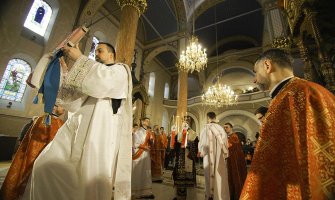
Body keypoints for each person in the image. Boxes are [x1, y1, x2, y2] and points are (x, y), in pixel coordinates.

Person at [21, 42, 133, 200]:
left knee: (87, 179)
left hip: (99, 131)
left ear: (111, 55)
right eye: (95, 52)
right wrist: (62, 74)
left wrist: (80, 58)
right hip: (76, 125)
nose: (96, 54)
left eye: (100, 51)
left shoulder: (120, 70)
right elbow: (71, 102)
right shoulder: (91, 71)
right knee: (44, 166)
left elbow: (103, 82)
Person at [240, 48, 335, 199]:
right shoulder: (310, 91)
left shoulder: (291, 97)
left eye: (255, 72)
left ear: (267, 66)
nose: (254, 79)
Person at [1, 105, 65, 200]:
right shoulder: (49, 120)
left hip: (39, 152)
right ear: (54, 107)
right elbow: (49, 140)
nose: (63, 109)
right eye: (61, 106)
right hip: (39, 153)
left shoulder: (52, 120)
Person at [198, 112, 230, 200]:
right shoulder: (221, 128)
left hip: (208, 158)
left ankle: (210, 196)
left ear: (208, 118)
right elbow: (225, 144)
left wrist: (202, 153)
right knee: (219, 178)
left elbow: (203, 144)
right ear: (215, 118)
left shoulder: (205, 128)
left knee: (208, 178)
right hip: (219, 158)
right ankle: (219, 196)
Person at [172, 119, 198, 200]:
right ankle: (179, 196)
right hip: (180, 157)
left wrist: (188, 144)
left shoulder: (193, 133)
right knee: (179, 175)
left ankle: (190, 197)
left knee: (188, 175)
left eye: (186, 123)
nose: (185, 124)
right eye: (183, 123)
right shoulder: (179, 133)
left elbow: (196, 145)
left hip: (188, 157)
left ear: (189, 124)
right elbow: (175, 145)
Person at [132, 117, 155, 199]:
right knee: (138, 171)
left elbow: (151, 142)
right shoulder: (138, 131)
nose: (148, 122)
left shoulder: (149, 132)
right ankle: (136, 191)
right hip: (140, 153)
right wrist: (144, 147)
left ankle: (146, 191)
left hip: (146, 154)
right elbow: (135, 143)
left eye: (149, 121)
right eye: (146, 121)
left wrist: (151, 142)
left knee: (146, 171)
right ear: (142, 122)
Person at [223, 123, 247, 200]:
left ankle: (237, 194)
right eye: (224, 127)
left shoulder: (234, 136)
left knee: (236, 176)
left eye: (227, 127)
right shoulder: (228, 137)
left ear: (231, 128)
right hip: (231, 159)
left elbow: (230, 146)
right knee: (231, 177)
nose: (225, 129)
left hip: (235, 160)